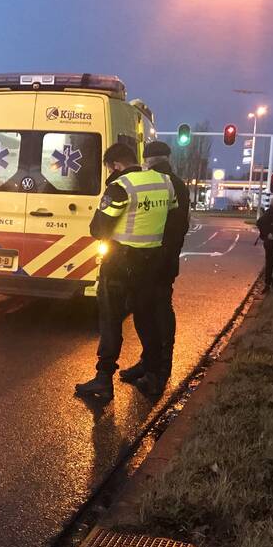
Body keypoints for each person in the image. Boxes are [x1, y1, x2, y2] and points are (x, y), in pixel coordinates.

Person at [75, 142, 176, 403]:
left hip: (120, 265)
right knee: (146, 319)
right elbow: (172, 216)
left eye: (111, 168)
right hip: (150, 264)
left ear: (116, 166)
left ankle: (104, 379)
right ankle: (153, 377)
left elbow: (98, 229)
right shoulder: (165, 183)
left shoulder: (121, 187)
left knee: (110, 321)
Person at [117, 141, 190, 395]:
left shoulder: (164, 183)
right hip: (160, 260)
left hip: (153, 261)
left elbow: (173, 227)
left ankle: (158, 372)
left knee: (153, 314)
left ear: (147, 160)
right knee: (148, 312)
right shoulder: (175, 183)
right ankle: (149, 364)